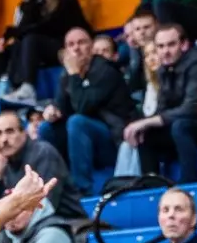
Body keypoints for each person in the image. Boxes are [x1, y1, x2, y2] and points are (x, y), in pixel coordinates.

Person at [42, 26, 138, 196]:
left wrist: (73, 75)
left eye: (81, 42)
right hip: (84, 139)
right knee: (46, 129)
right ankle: (54, 191)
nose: (76, 48)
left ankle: (82, 190)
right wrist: (52, 111)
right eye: (71, 44)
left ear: (91, 47)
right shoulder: (67, 74)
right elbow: (62, 106)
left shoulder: (105, 70)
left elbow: (83, 106)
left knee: (77, 122)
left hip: (114, 139)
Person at [126, 22, 197, 184]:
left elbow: (191, 108)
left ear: (184, 45)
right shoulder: (164, 69)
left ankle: (188, 184)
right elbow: (163, 108)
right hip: (183, 124)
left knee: (180, 125)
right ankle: (152, 186)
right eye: (161, 46)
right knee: (146, 133)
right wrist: (145, 125)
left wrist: (147, 121)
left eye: (171, 45)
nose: (166, 51)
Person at [0, 111, 82, 220]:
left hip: (65, 223)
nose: (4, 139)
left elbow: (45, 206)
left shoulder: (43, 152)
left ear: (24, 133)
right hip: (22, 228)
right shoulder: (3, 163)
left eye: (10, 131)